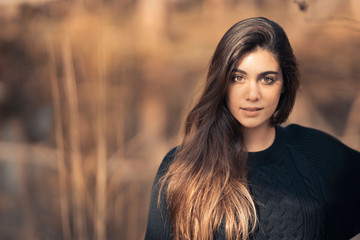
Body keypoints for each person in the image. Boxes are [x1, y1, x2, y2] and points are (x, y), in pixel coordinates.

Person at [144, 17, 360, 240]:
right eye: (238, 78)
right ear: (221, 83)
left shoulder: (315, 152)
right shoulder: (182, 168)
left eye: (267, 79)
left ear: (284, 84)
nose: (252, 94)